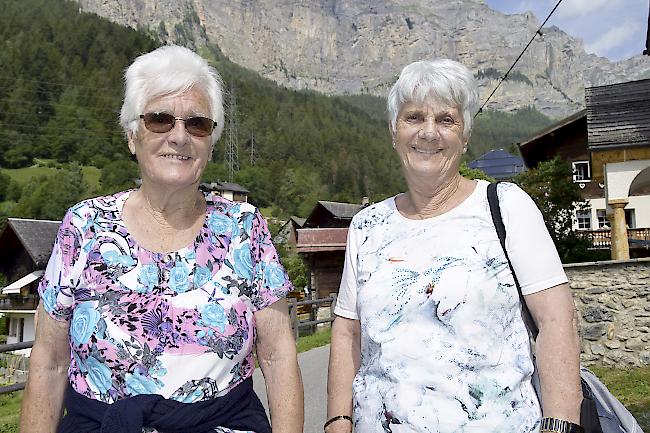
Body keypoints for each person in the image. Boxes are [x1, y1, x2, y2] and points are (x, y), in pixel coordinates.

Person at [20, 45, 303, 433]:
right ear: (132, 136)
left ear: (211, 141)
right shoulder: (83, 226)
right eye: (160, 120)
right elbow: (50, 361)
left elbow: (277, 355)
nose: (180, 136)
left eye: (197, 124)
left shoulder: (245, 227)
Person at [326, 59, 583, 433]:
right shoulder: (368, 226)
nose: (429, 133)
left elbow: (557, 322)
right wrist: (337, 420)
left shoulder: (506, 206)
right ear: (393, 131)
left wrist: (560, 426)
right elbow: (347, 330)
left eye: (446, 120)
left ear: (465, 137)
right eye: (413, 118)